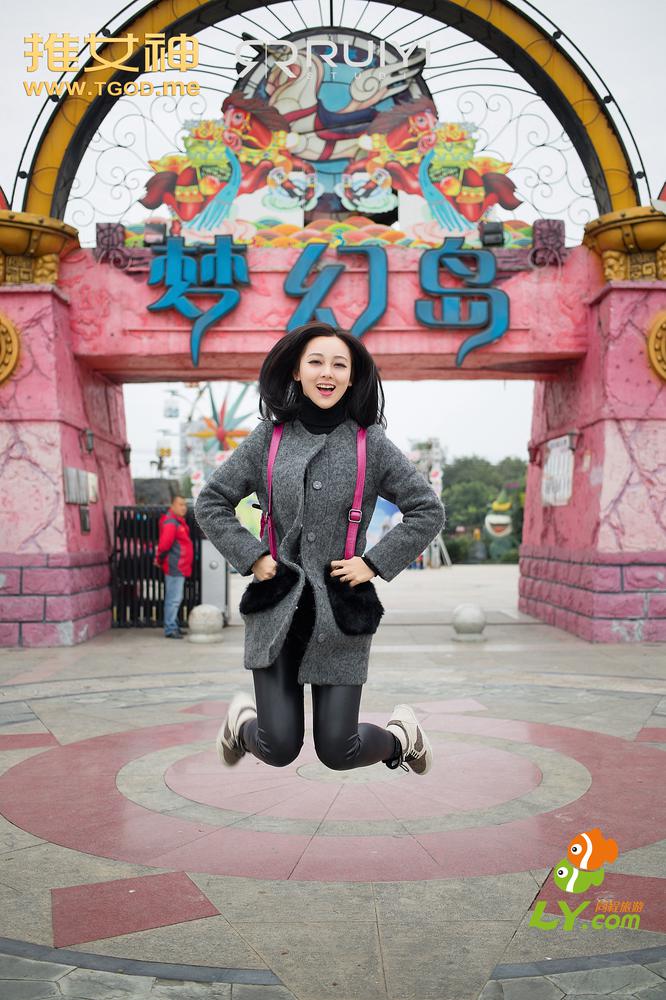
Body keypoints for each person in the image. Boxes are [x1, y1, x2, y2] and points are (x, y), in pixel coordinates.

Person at [194, 322, 446, 774]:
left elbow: (427, 509)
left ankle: (402, 738)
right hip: (277, 607)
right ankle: (241, 725)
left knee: (338, 750)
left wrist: (373, 564)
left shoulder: (372, 445)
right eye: (315, 362)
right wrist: (254, 556)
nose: (327, 372)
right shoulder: (267, 439)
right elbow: (211, 501)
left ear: (352, 377)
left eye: (339, 365)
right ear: (296, 371)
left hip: (339, 610)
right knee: (278, 747)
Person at [155, 495, 193, 639]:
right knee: (173, 599)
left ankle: (174, 625)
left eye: (185, 505)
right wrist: (159, 560)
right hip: (175, 566)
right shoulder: (171, 523)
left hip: (179, 566)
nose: (184, 507)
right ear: (172, 506)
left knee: (175, 598)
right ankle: (170, 628)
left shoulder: (177, 522)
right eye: (180, 504)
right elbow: (164, 545)